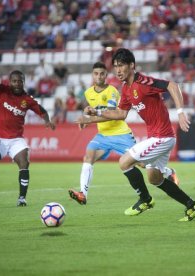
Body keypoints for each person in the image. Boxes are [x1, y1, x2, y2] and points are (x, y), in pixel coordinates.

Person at [76, 48, 195, 221]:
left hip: (162, 136)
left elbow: (172, 85)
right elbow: (120, 114)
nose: (118, 70)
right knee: (154, 178)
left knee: (124, 162)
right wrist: (93, 116)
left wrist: (180, 112)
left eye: (121, 66)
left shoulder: (143, 82)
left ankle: (145, 199)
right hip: (157, 137)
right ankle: (192, 205)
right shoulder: (126, 89)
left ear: (132, 65)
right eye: (115, 66)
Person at [69, 62, 179, 205]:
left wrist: (89, 119)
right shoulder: (88, 93)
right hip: (102, 135)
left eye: (102, 73)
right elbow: (92, 109)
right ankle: (83, 194)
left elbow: (111, 114)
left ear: (106, 75)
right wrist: (86, 116)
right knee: (88, 156)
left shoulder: (112, 91)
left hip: (120, 133)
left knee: (141, 163)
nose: (99, 76)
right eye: (96, 73)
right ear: (92, 75)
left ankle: (168, 172)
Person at [0, 70, 56, 207]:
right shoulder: (2, 91)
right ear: (9, 82)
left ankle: (22, 198)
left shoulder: (27, 99)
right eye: (14, 81)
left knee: (24, 162)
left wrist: (47, 121)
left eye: (20, 81)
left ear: (23, 82)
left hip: (16, 139)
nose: (17, 83)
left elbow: (42, 110)